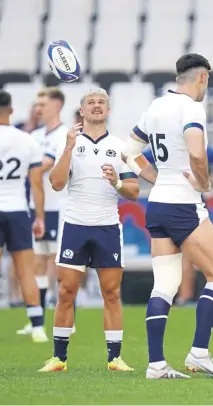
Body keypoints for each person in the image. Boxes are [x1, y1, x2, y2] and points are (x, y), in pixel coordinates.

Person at [122, 53, 213, 379]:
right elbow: (196, 151)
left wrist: (156, 178)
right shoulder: (191, 108)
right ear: (202, 77)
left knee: (165, 284)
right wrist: (204, 182)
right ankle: (199, 352)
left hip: (157, 204)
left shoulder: (155, 107)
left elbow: (129, 153)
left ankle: (156, 364)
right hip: (184, 204)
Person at [38, 88, 148, 372]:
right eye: (91, 103)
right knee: (66, 291)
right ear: (82, 111)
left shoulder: (121, 147)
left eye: (102, 102)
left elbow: (134, 191)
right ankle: (58, 358)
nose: (97, 106)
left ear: (109, 111)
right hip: (75, 224)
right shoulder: (72, 143)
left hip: (107, 226)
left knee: (111, 292)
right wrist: (67, 148)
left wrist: (117, 184)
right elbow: (57, 183)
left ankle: (115, 358)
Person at [17, 87, 69, 336]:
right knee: (37, 263)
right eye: (36, 105)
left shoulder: (64, 135)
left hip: (59, 206)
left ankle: (68, 318)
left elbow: (43, 167)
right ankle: (37, 320)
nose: (38, 109)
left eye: (43, 104)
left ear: (57, 105)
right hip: (35, 207)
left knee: (61, 265)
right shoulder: (34, 135)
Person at [0, 90, 48, 343]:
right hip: (18, 209)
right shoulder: (27, 140)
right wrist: (39, 216)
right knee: (26, 270)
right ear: (11, 110)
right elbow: (37, 183)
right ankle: (37, 326)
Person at [176, 166, 213, 306]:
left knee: (187, 261)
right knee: (187, 261)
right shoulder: (195, 189)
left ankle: (186, 296)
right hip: (190, 226)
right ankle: (185, 297)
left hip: (184, 223)